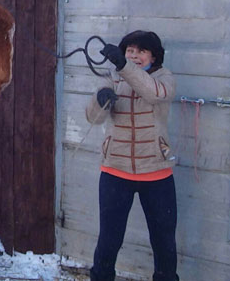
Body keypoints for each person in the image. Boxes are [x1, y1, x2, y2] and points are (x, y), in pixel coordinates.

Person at [85, 30, 178, 281]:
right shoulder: (111, 77)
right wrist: (100, 100)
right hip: (115, 171)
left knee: (164, 242)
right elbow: (94, 118)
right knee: (108, 241)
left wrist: (124, 66)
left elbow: (153, 93)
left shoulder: (164, 77)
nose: (134, 55)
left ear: (154, 56)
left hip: (157, 173)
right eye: (129, 51)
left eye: (141, 51)